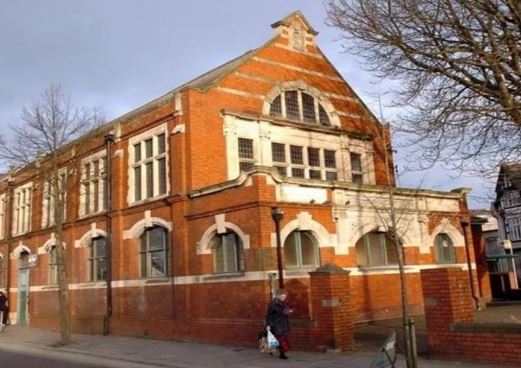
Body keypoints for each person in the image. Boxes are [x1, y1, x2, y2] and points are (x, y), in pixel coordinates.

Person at [265, 289, 293, 359]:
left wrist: (289, 310)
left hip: (283, 323)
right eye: (283, 296)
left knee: (280, 338)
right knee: (281, 339)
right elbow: (271, 314)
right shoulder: (274, 303)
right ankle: (282, 354)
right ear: (278, 296)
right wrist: (268, 324)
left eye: (285, 296)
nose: (284, 298)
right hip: (276, 324)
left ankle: (272, 349)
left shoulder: (284, 302)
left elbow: (288, 308)